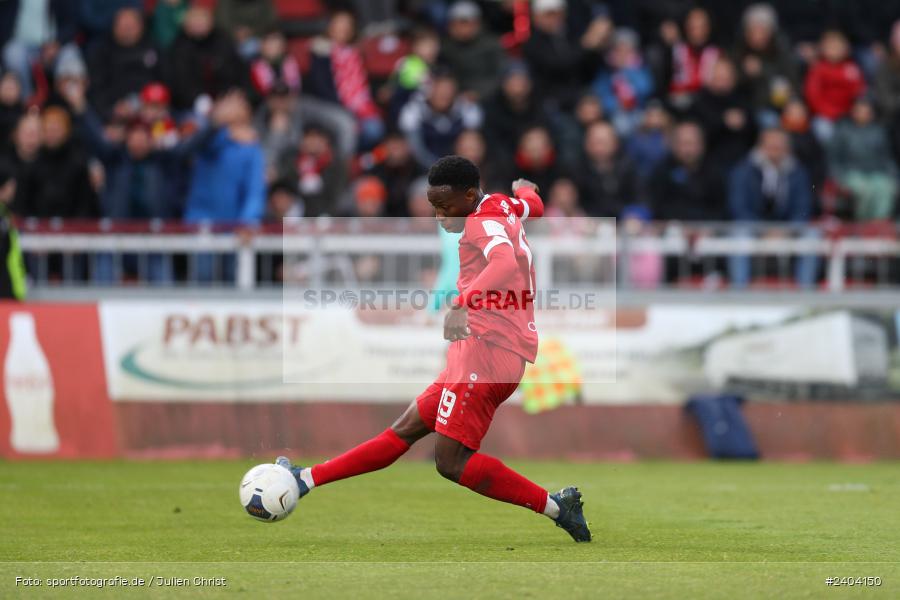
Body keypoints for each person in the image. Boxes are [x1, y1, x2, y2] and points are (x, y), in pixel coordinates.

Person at [275, 155, 591, 543]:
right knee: (404, 430)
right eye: (433, 207)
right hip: (487, 349)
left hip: (488, 351)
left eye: (445, 207)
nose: (439, 217)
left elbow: (505, 261)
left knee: (450, 462)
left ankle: (557, 508)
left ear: (470, 195)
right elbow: (534, 206)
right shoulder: (500, 205)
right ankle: (306, 479)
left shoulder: (481, 221)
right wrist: (525, 189)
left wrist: (463, 302)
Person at [728, 128, 817, 288]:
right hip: (753, 226)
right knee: (739, 235)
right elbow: (739, 207)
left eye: (779, 147)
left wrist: (785, 231)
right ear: (761, 147)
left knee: (812, 235)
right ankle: (739, 291)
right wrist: (764, 230)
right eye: (771, 146)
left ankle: (806, 290)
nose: (775, 151)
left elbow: (803, 207)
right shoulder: (744, 170)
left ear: (787, 148)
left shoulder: (798, 171)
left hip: (788, 227)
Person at [827, 97, 897, 221]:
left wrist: (894, 176)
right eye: (859, 111)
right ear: (853, 112)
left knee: (886, 188)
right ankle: (862, 223)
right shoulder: (843, 131)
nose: (863, 114)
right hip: (851, 174)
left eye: (866, 111)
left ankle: (879, 223)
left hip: (875, 173)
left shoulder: (878, 131)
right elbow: (833, 159)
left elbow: (886, 158)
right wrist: (838, 178)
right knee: (864, 190)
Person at [87, 7, 160, 120]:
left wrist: (152, 105)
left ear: (141, 27)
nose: (127, 30)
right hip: (113, 115)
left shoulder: (153, 48)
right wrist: (110, 111)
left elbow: (164, 81)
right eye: (123, 26)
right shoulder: (101, 52)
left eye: (131, 26)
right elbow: (96, 88)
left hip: (151, 112)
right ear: (114, 27)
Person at [646, 121, 726, 221]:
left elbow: (720, 208)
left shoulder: (715, 171)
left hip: (707, 229)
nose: (688, 150)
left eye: (691, 143)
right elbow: (656, 206)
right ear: (674, 146)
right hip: (671, 230)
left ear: (702, 145)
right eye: (683, 144)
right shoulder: (661, 171)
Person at [804, 30, 866, 140]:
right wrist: (832, 113)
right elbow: (813, 96)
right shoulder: (818, 69)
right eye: (831, 47)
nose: (835, 50)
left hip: (849, 116)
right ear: (823, 49)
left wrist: (854, 111)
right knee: (824, 131)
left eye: (838, 47)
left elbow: (859, 92)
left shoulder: (851, 68)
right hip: (825, 117)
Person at [439, 1, 506, 101]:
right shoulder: (445, 47)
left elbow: (501, 75)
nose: (463, 28)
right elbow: (442, 75)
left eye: (467, 23)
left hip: (489, 98)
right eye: (459, 23)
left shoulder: (491, 45)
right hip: (455, 99)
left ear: (477, 23)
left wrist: (478, 93)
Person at [573, 120, 640, 218]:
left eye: (603, 142)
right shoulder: (576, 170)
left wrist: (634, 214)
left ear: (615, 143)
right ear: (586, 144)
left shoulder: (629, 167)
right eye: (594, 142)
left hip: (623, 223)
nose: (599, 148)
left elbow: (641, 199)